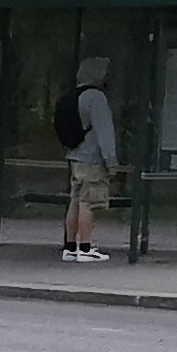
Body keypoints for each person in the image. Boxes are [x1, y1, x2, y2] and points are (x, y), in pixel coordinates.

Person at [58, 52, 119, 262]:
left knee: (75, 201)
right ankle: (85, 247)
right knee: (89, 203)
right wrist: (111, 161)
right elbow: (105, 132)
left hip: (75, 157)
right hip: (93, 159)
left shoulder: (75, 95)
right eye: (106, 72)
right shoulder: (96, 98)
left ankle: (70, 247)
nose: (108, 76)